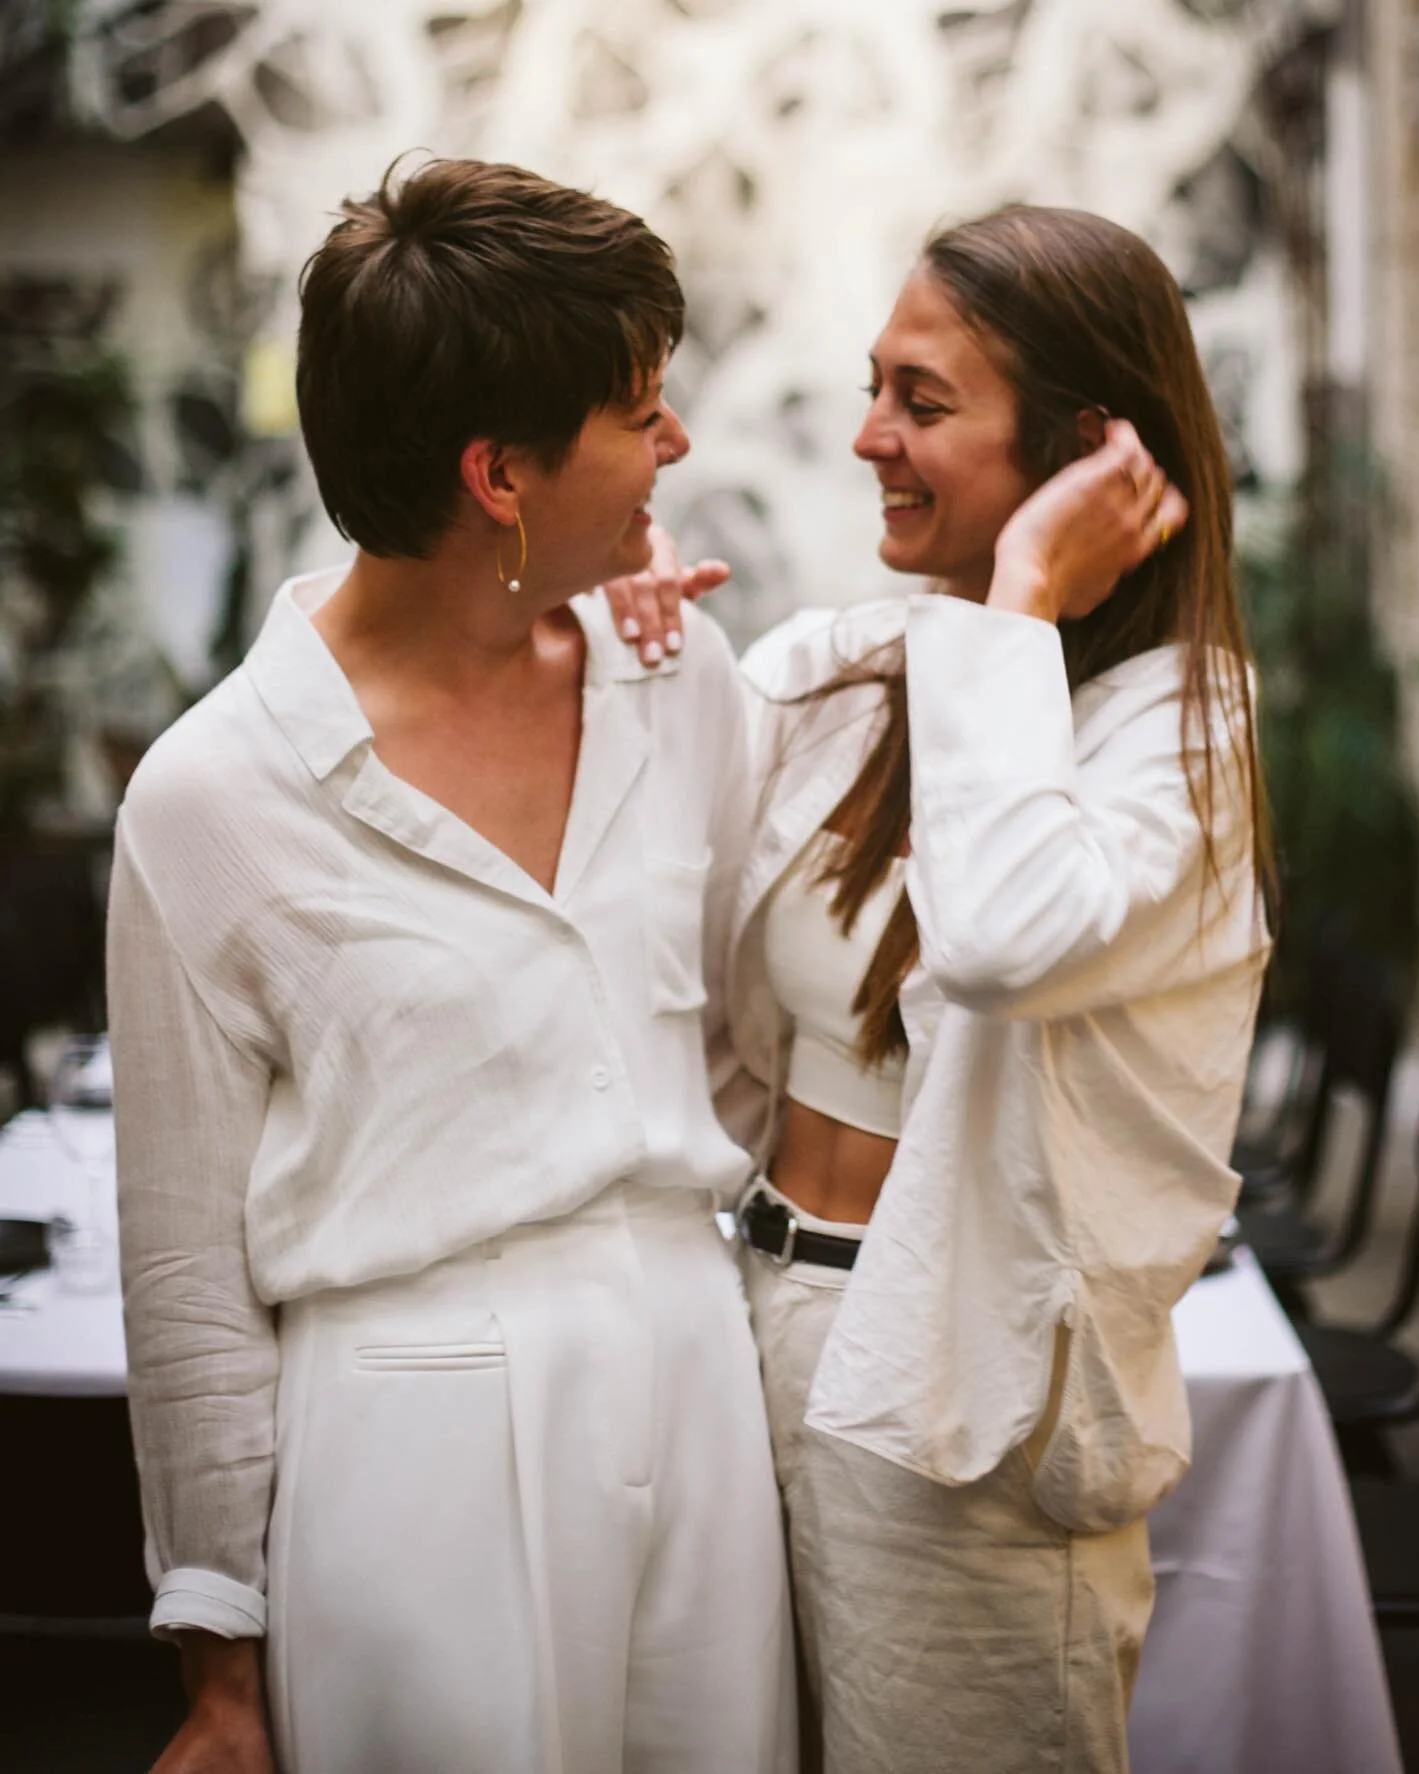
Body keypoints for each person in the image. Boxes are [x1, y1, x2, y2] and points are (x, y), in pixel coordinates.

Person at [107, 157, 797, 1774]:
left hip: (697, 1385)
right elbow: (186, 1276)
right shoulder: (214, 797)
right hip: (414, 1433)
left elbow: (757, 1023)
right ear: (500, 472)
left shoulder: (676, 677)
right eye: (641, 411)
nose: (677, 445)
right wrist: (220, 1653)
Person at [608, 205, 1270, 1773]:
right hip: (752, 1323)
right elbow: (646, 876)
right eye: (873, 389)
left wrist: (1024, 599)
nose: (866, 437)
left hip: (961, 1410)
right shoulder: (858, 662)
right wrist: (621, 650)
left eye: (922, 400)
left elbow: (1003, 932)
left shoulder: (1185, 729)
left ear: (1087, 451)